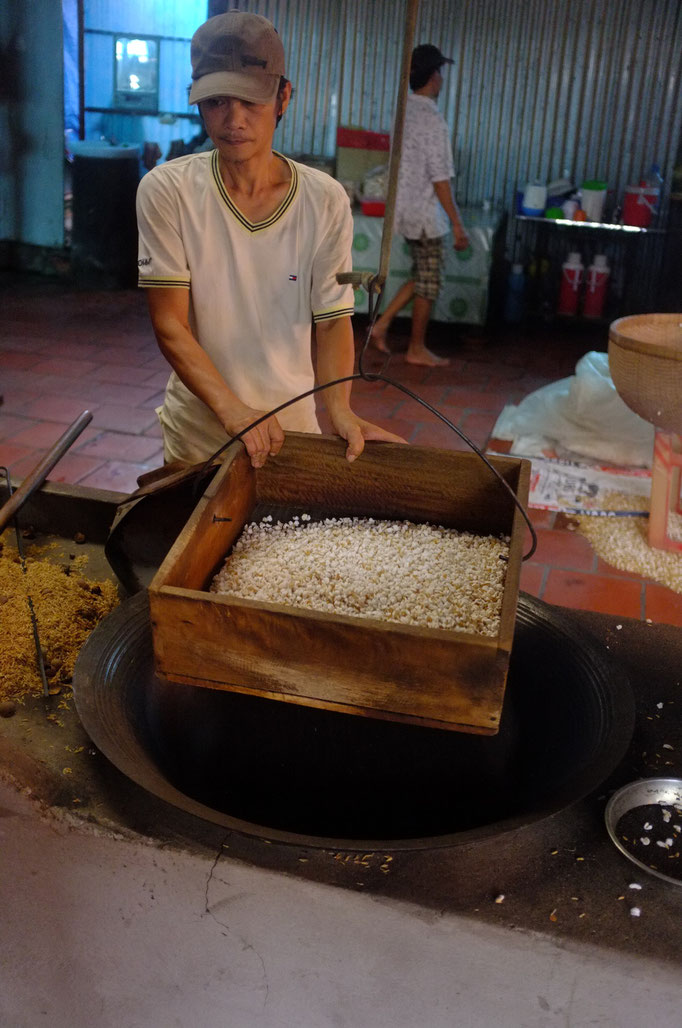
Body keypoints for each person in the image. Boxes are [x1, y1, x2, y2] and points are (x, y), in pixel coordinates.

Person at [136, 11, 404, 469]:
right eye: (217, 102)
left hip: (289, 432)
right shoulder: (168, 190)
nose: (233, 120)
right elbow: (170, 325)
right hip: (200, 433)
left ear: (284, 97)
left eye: (251, 102)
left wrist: (338, 409)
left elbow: (332, 319)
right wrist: (232, 411)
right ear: (196, 102)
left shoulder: (324, 200)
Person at [371, 44, 470, 367]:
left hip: (404, 210)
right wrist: (456, 222)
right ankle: (416, 348)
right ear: (432, 77)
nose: (441, 79)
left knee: (422, 275)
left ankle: (381, 324)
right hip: (426, 215)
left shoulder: (403, 111)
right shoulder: (432, 120)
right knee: (429, 282)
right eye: (439, 72)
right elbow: (440, 179)